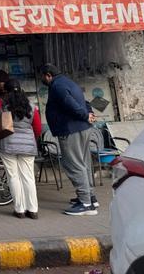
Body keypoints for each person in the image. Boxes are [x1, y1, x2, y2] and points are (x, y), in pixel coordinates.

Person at [40, 64, 98, 216]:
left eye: (42, 76)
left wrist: (85, 115)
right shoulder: (69, 82)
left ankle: (85, 203)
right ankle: (90, 197)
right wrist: (88, 114)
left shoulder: (57, 86)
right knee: (84, 163)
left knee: (74, 164)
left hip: (71, 130)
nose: (42, 79)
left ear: (48, 75)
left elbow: (69, 103)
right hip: (82, 128)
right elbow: (85, 102)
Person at [0, 79, 41, 219]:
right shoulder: (31, 105)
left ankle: (19, 209)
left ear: (5, 91)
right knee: (28, 177)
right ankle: (33, 209)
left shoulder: (0, 103)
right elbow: (37, 127)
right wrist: (31, 140)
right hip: (27, 146)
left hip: (7, 144)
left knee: (13, 176)